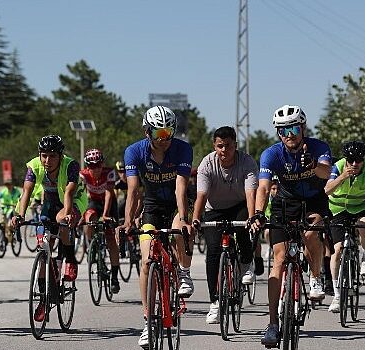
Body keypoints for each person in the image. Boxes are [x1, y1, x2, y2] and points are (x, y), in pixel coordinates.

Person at [250, 105, 332, 347]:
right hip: (285, 204)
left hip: (315, 202)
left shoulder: (318, 147)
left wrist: (313, 166)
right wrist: (257, 213)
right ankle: (273, 323)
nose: (289, 134)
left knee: (310, 236)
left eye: (294, 128)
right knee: (279, 258)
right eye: (283, 130)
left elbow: (326, 173)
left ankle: (316, 277)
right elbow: (263, 187)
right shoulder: (271, 154)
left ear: (303, 128)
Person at [115, 105, 194, 348]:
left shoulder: (182, 149)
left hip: (174, 204)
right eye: (159, 134)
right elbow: (132, 191)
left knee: (180, 226)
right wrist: (128, 222)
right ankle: (148, 321)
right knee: (147, 261)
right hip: (150, 206)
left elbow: (181, 186)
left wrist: (184, 218)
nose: (165, 139)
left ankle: (183, 272)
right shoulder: (134, 152)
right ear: (147, 132)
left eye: (169, 132)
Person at [11, 135, 87, 322]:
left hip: (74, 200)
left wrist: (68, 213)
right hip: (51, 201)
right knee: (43, 243)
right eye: (44, 155)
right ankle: (44, 299)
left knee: (61, 222)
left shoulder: (71, 165)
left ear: (60, 156)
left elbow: (69, 192)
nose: (47, 160)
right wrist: (20, 215)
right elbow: (26, 192)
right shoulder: (34, 166)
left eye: (52, 156)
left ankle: (70, 259)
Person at [191, 126, 258, 324]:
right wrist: (196, 218)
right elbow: (201, 195)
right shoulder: (206, 164)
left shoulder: (246, 162)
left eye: (228, 146)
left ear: (235, 145)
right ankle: (214, 302)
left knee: (242, 226)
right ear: (214, 146)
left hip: (239, 205)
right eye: (219, 146)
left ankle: (246, 264)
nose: (224, 150)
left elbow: (250, 194)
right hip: (215, 209)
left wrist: (253, 218)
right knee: (212, 251)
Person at [324, 141, 365, 313]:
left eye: (359, 160)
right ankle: (338, 295)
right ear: (346, 159)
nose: (355, 164)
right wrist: (342, 176)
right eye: (351, 160)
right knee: (337, 250)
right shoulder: (338, 166)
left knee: (363, 226)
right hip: (338, 209)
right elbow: (327, 190)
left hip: (360, 207)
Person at [79, 148, 121, 294]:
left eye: (98, 165)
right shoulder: (83, 175)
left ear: (102, 164)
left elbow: (109, 193)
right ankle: (92, 243)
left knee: (111, 239)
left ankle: (115, 277)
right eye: (91, 166)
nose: (95, 169)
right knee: (89, 218)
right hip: (94, 201)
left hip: (109, 204)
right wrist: (80, 214)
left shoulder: (109, 172)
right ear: (87, 166)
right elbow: (80, 195)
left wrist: (105, 214)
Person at [0, 178, 22, 243]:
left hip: (13, 210)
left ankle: (14, 236)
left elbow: (21, 199)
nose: (8, 186)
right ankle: (2, 239)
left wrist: (19, 205)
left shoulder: (17, 191)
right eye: (6, 185)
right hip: (5, 209)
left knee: (11, 224)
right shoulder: (4, 191)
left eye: (9, 184)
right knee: (2, 223)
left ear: (12, 184)